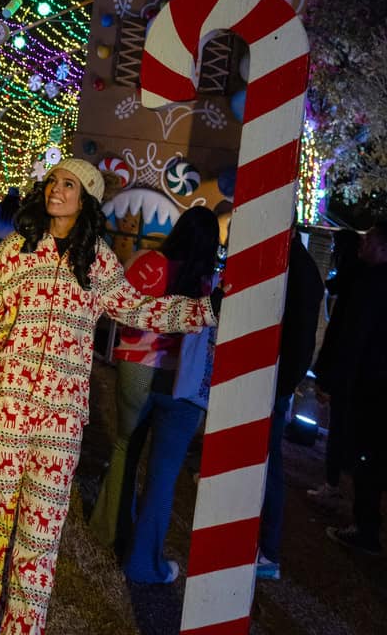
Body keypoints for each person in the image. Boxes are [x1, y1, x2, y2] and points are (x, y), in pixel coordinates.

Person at [0, 159, 219, 635]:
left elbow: (137, 309)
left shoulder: (98, 260)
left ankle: (25, 628)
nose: (55, 191)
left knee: (40, 536)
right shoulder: (14, 252)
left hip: (61, 421)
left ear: (87, 200)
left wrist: (203, 309)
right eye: (53, 183)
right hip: (4, 409)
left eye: (68, 185)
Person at [89, 205, 221, 582]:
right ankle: (144, 563)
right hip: (181, 381)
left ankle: (110, 529)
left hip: (136, 366)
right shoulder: (206, 284)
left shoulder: (149, 262)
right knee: (162, 476)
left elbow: (119, 309)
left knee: (124, 447)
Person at [316, 222, 387, 555]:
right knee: (374, 455)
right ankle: (372, 525)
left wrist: (332, 381)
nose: (363, 243)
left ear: (383, 247)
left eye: (370, 239)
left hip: (369, 388)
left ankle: (375, 525)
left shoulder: (369, 285)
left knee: (369, 456)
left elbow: (352, 339)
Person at [256, 226, 324, 580]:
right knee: (266, 460)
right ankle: (263, 545)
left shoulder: (291, 267)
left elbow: (294, 334)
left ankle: (267, 549)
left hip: (274, 380)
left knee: (268, 462)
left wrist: (280, 383)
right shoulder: (302, 266)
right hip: (278, 378)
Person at [307, 226, 361, 504]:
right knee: (342, 429)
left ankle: (333, 484)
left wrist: (325, 371)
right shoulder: (349, 280)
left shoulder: (351, 281)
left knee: (341, 430)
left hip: (346, 369)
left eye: (334, 248)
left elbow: (340, 330)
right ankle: (334, 480)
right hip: (348, 368)